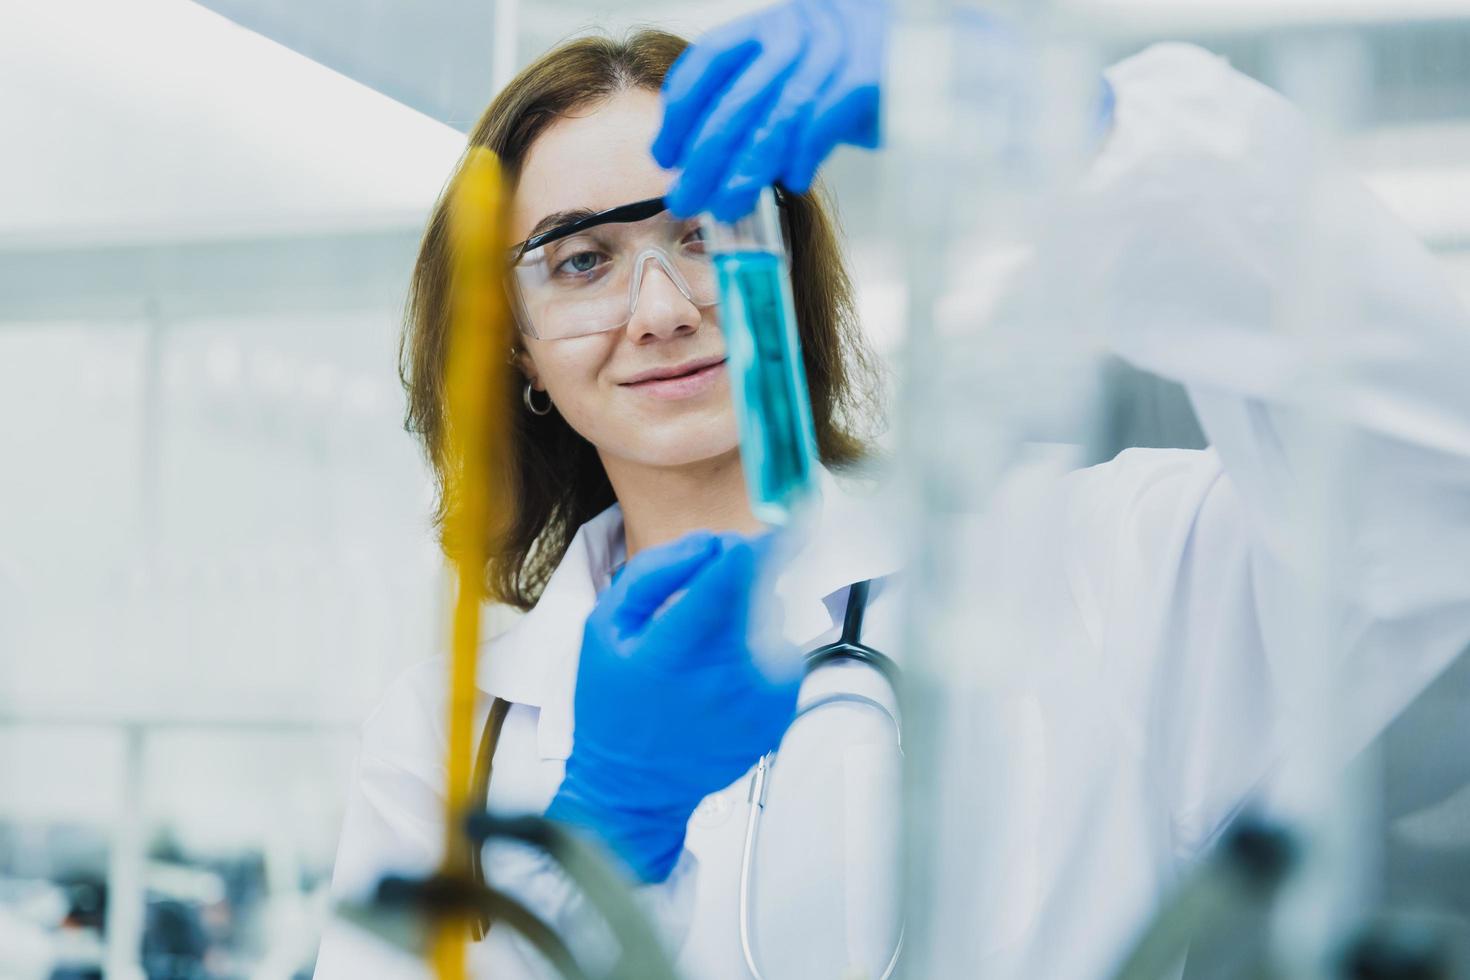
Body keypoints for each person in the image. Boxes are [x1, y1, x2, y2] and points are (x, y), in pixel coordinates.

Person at [315, 9, 1470, 979]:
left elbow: (1436, 487)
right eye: (581, 259)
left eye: (711, 231)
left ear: (790, 265)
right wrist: (594, 833)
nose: (662, 307)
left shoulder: (1094, 568)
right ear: (511, 343)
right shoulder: (450, 734)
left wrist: (1100, 137)